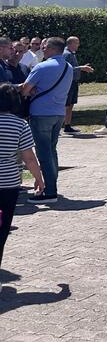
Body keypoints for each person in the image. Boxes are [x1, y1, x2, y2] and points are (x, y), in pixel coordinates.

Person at [19, 37, 74, 203]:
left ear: (52, 49)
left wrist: (30, 90)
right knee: (52, 150)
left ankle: (50, 191)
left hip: (41, 113)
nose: (42, 49)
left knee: (43, 152)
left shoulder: (42, 67)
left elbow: (25, 90)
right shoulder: (68, 67)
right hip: (59, 113)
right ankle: (52, 185)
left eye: (45, 47)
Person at [0, 83, 45, 269]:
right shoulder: (20, 125)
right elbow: (29, 158)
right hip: (9, 183)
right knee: (3, 227)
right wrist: (39, 178)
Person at [62, 36, 94, 134]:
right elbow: (65, 68)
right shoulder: (66, 54)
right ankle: (58, 126)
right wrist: (81, 68)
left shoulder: (72, 53)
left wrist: (81, 67)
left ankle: (67, 126)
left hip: (74, 82)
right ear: (70, 43)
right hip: (68, 83)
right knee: (66, 105)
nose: (78, 45)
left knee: (70, 104)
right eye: (76, 43)